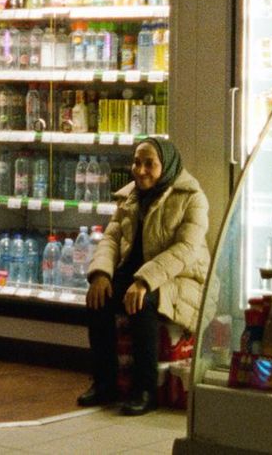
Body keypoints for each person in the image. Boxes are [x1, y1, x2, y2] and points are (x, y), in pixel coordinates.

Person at [77, 137, 212, 416]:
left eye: (149, 164)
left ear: (167, 165)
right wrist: (101, 273)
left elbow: (185, 250)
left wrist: (144, 281)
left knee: (144, 304)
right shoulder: (130, 197)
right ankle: (105, 383)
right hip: (139, 278)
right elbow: (112, 238)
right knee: (98, 299)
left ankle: (145, 390)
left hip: (181, 280)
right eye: (137, 162)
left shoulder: (192, 198)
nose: (140, 170)